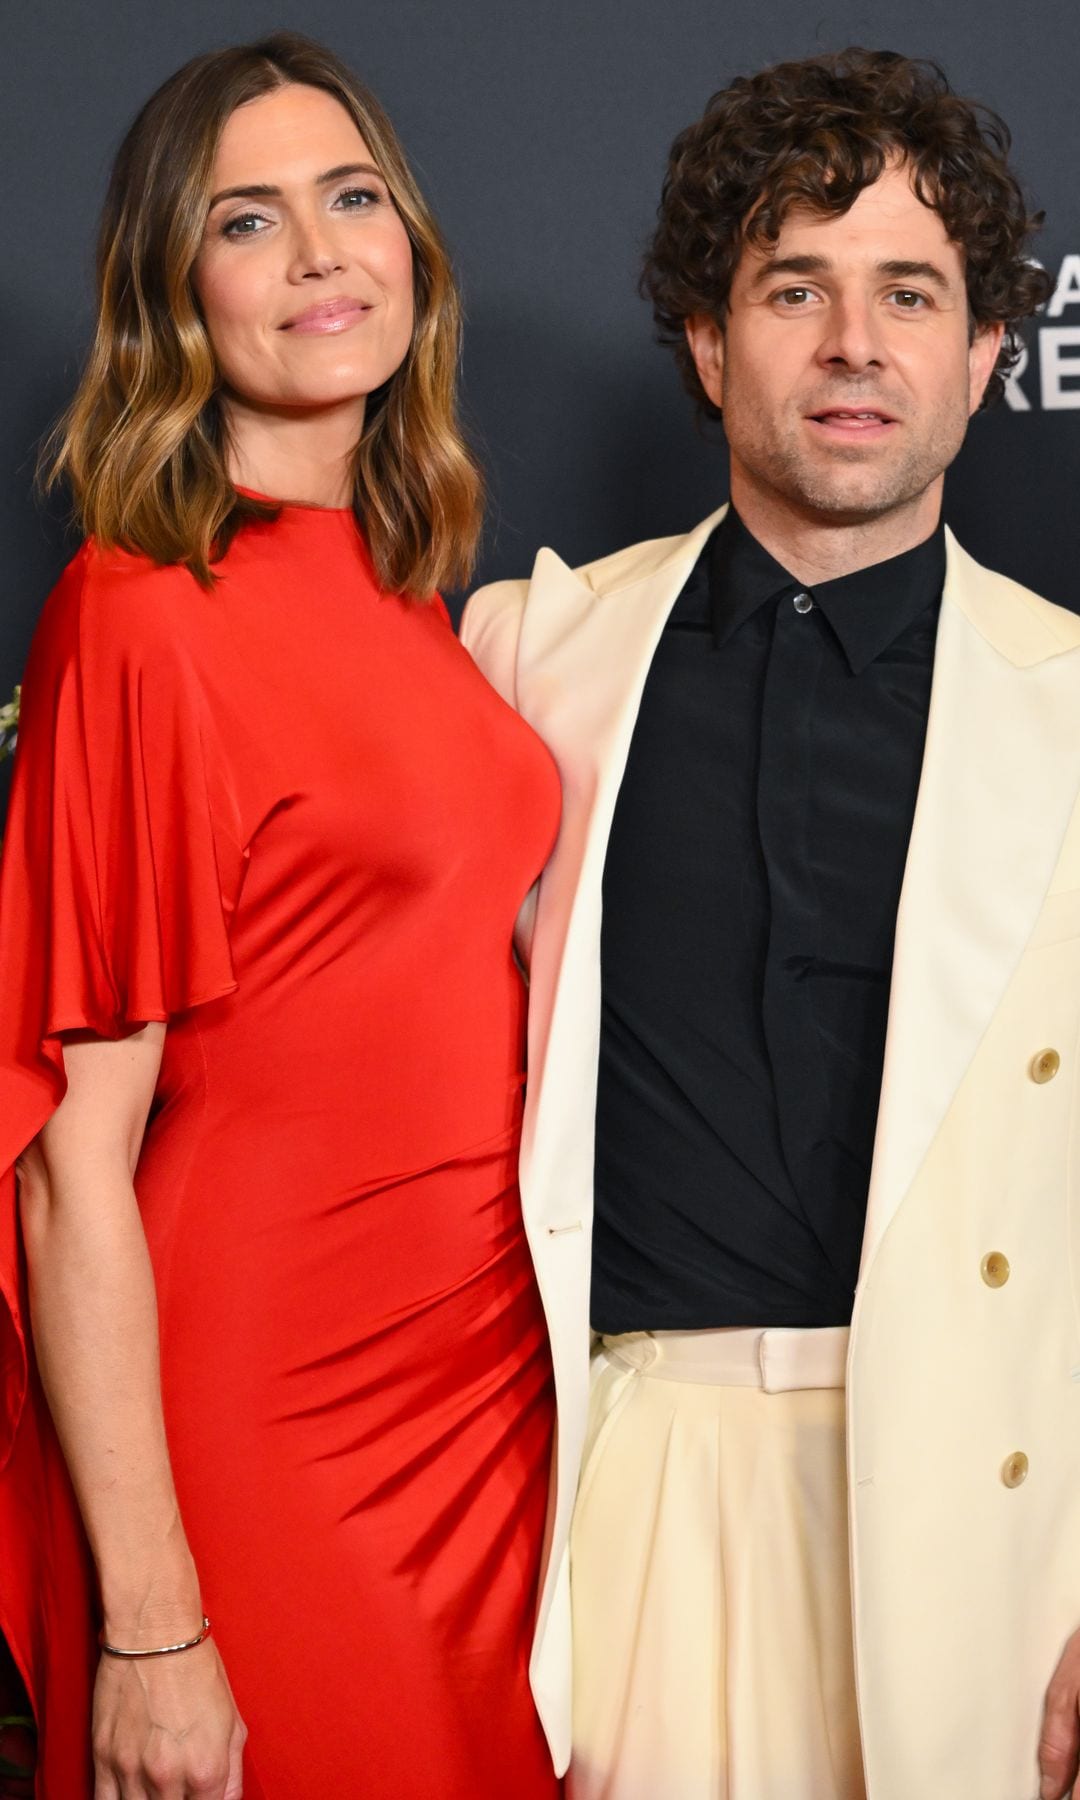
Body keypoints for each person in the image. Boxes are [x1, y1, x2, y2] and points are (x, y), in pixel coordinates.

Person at [462, 46, 1080, 1800]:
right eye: (793, 289)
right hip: (628, 1494)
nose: (853, 345)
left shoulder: (1077, 707)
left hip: (995, 1520)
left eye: (909, 295)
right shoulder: (528, 662)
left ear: (980, 360)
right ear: (710, 343)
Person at [0, 31, 562, 1800]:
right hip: (275, 1418)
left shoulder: (414, 599)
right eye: (250, 221)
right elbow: (62, 1160)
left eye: (352, 199)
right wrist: (153, 1622)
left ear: (412, 249)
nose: (322, 254)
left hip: (490, 1397)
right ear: (179, 293)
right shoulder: (145, 610)